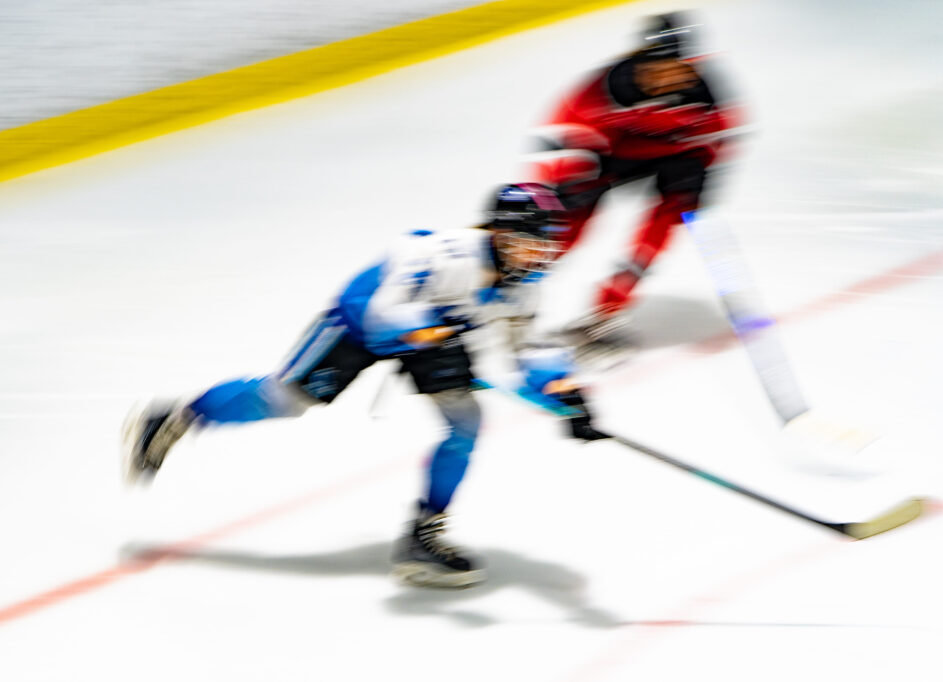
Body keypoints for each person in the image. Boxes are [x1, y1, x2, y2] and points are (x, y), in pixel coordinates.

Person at [121, 182, 610, 589]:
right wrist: (432, 330)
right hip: (359, 323)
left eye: (546, 241)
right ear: (502, 235)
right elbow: (381, 317)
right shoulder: (441, 253)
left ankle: (423, 535)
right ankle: (177, 417)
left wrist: (566, 394)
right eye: (534, 240)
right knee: (285, 399)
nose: (543, 252)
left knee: (466, 424)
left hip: (435, 336)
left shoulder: (524, 288)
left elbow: (527, 355)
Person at [528, 12, 745, 344]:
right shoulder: (605, 91)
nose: (663, 79)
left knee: (666, 220)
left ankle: (610, 307)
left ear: (688, 65)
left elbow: (721, 137)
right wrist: (566, 182)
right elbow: (559, 133)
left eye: (674, 68)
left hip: (674, 158)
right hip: (607, 153)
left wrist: (702, 176)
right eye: (653, 69)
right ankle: (511, 290)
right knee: (566, 225)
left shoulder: (706, 99)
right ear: (639, 63)